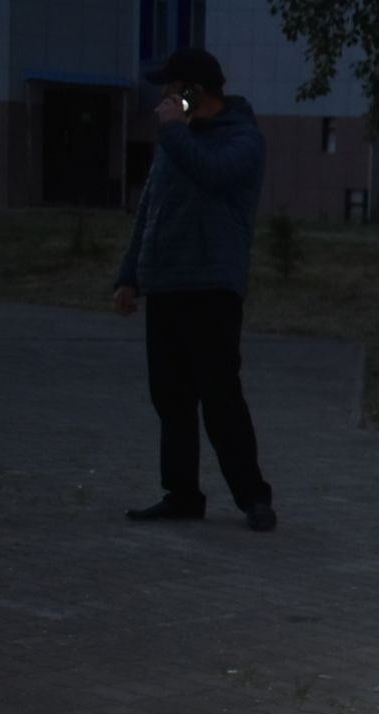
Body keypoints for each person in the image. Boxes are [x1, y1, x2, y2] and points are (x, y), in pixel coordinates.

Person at [113, 48, 275, 532]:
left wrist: (175, 133)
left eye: (171, 87)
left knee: (221, 396)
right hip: (165, 285)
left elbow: (215, 174)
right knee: (171, 398)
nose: (163, 96)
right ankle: (181, 493)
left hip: (211, 287)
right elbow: (151, 209)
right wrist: (129, 276)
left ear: (194, 92)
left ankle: (254, 497)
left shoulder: (243, 138)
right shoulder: (174, 139)